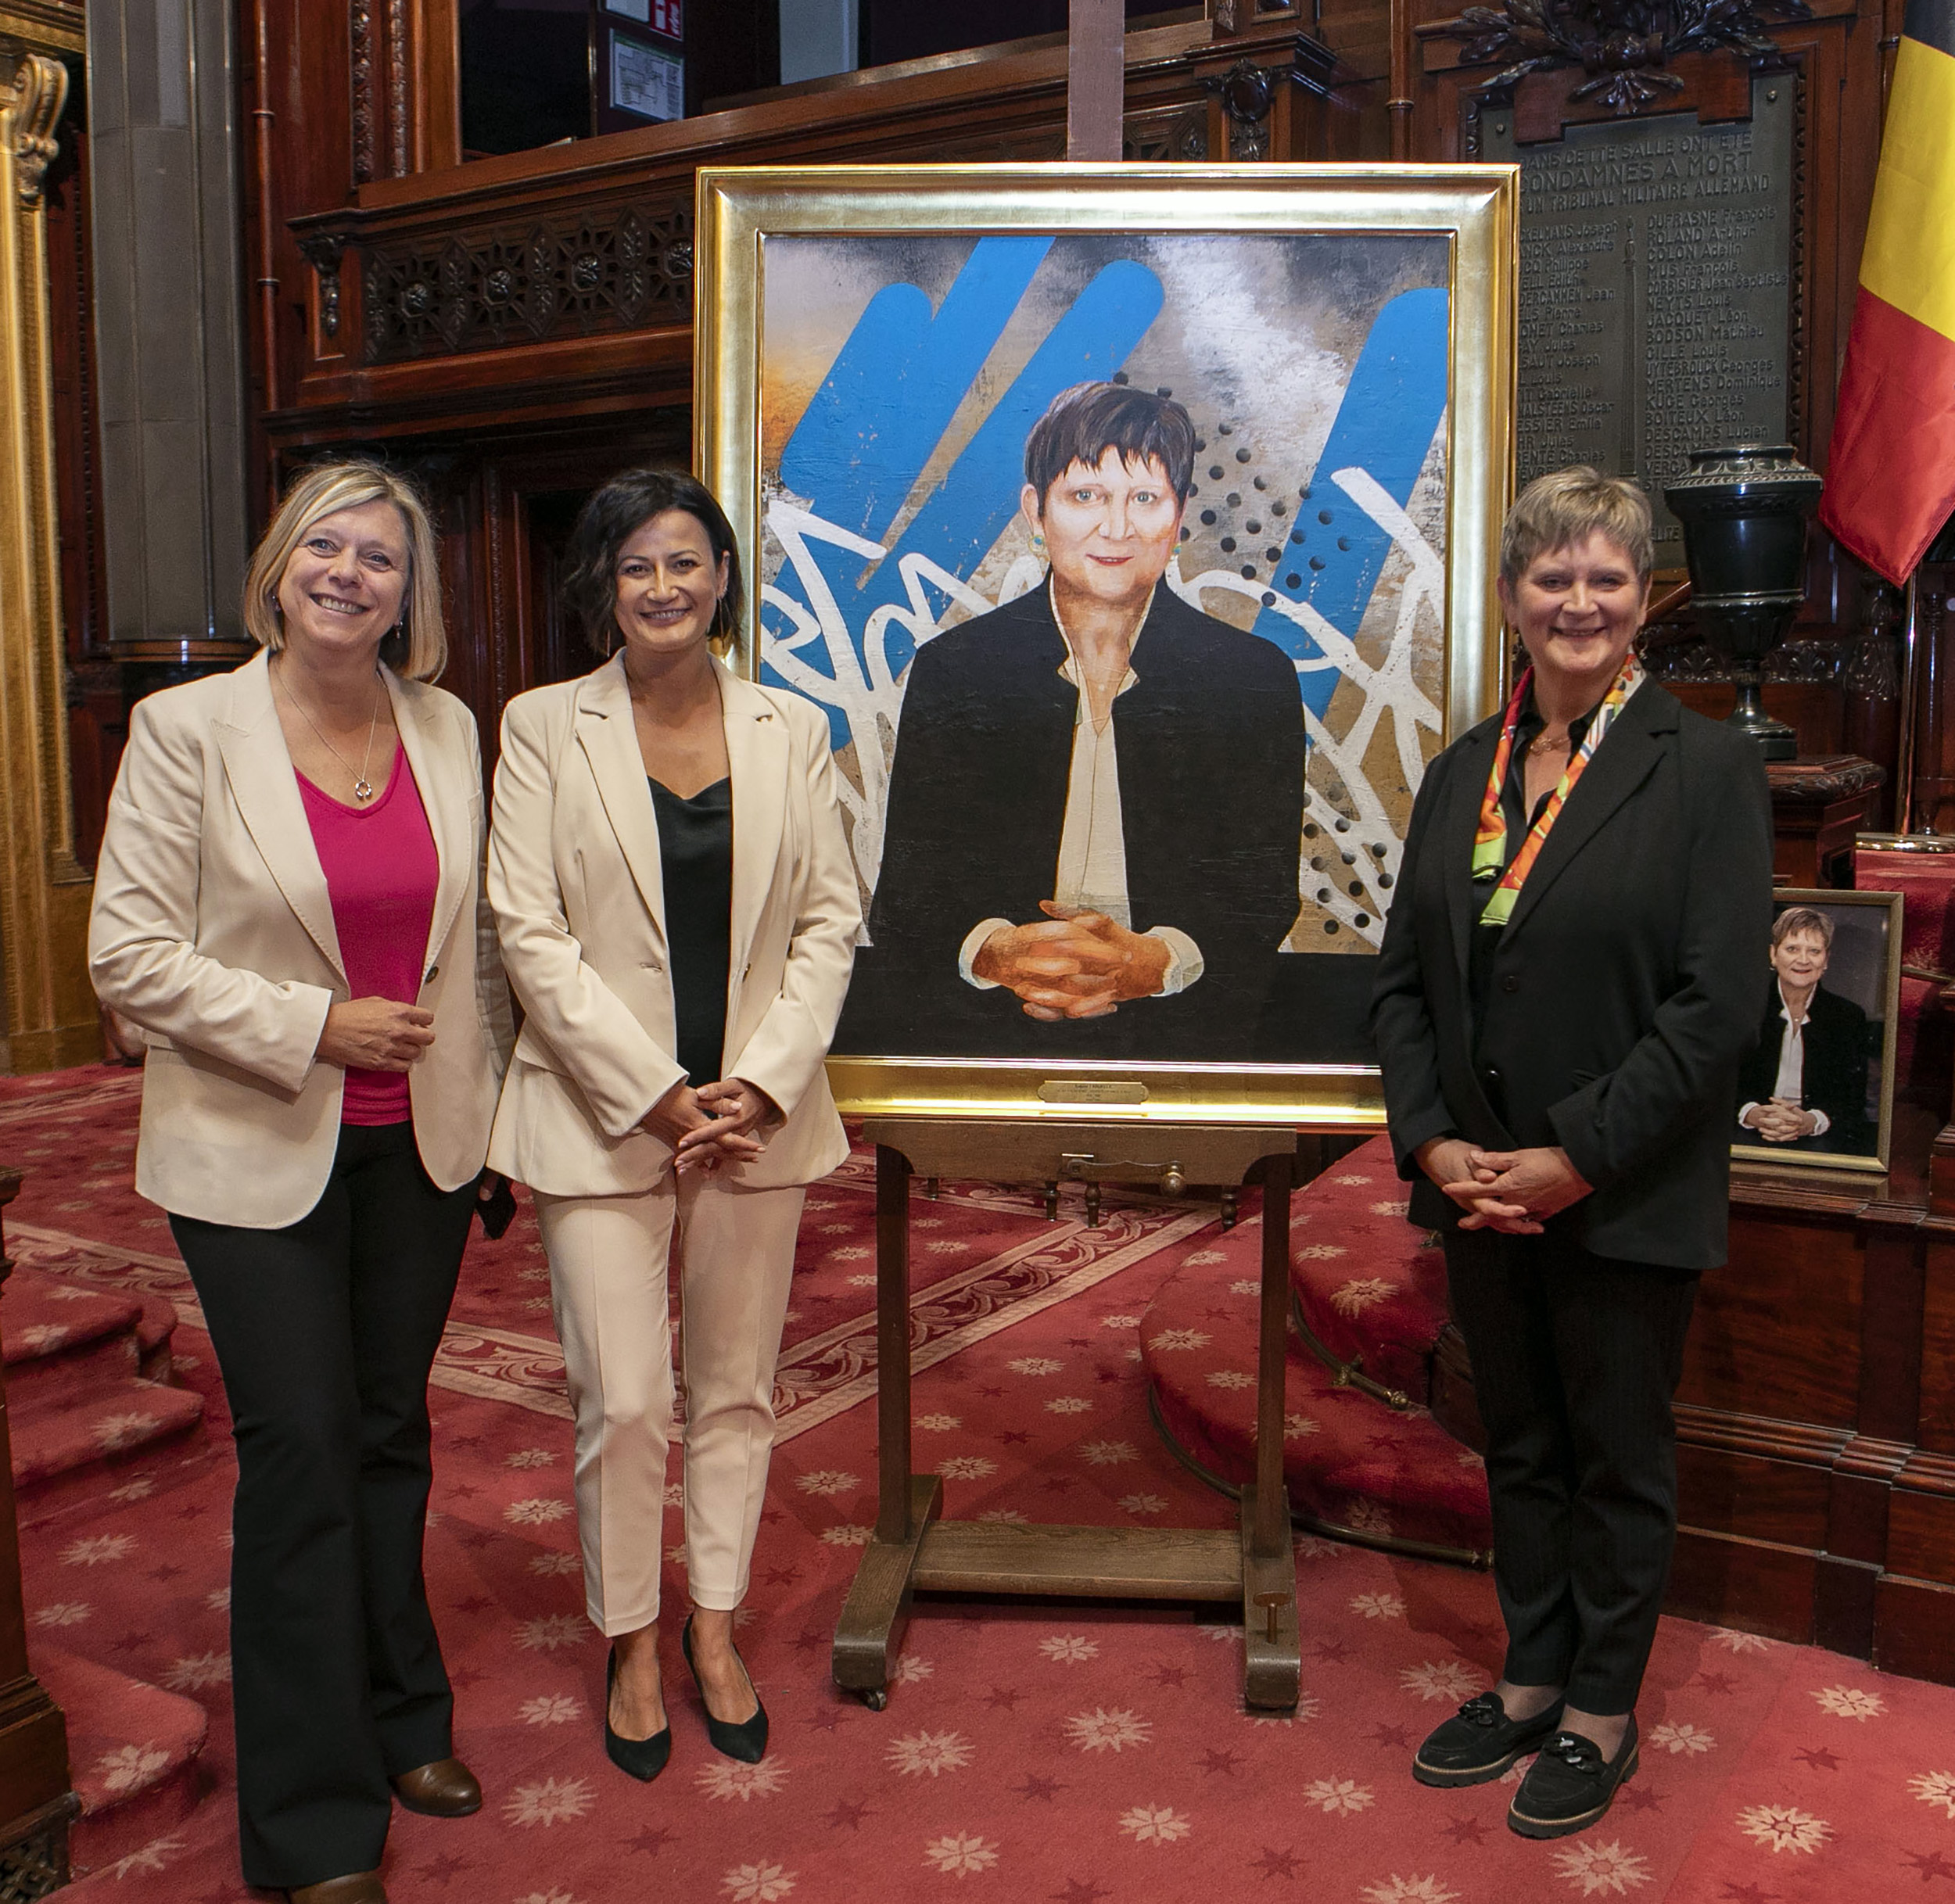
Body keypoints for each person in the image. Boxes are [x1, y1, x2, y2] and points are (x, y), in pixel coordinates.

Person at [88, 461, 512, 1904]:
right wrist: (314, 1026)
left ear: (412, 591)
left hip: (425, 1143)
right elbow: (127, 957)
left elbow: (484, 947)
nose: (349, 573)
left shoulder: (448, 726)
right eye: (323, 547)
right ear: (278, 569)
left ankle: (405, 1719)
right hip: (254, 1143)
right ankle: (314, 1819)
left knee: (391, 1436)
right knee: (304, 1455)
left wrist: (503, 1115)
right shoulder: (183, 729)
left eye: (380, 557)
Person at [1370, 466, 1771, 1838]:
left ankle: (1605, 1707)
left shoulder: (1706, 767)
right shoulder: (1454, 778)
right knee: (1521, 1448)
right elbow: (1405, 990)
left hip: (1620, 1190)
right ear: (1510, 603)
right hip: (1479, 1193)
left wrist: (1573, 1157)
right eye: (1553, 579)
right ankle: (1532, 1675)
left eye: (1606, 578)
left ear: (1644, 602)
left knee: (1615, 1457)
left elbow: (1718, 1009)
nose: (1579, 602)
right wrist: (1435, 1149)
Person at [486, 468, 859, 1782]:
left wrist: (755, 1081)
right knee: (629, 1397)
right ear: (603, 584)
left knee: (738, 1392)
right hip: (602, 1119)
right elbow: (527, 932)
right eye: (638, 566)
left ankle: (713, 1628)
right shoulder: (542, 728)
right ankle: (630, 1638)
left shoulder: (788, 728)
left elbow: (829, 921)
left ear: (720, 580)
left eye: (687, 563)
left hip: (756, 1119)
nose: (664, 588)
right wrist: (653, 1090)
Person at [841, 380, 1307, 1060]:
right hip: (988, 1022)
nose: (1115, 529)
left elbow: (1262, 894)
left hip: (1187, 1021)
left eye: (1144, 500)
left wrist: (1157, 962)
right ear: (1037, 511)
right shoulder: (958, 668)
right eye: (1085, 496)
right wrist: (998, 952)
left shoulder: (1251, 676)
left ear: (1178, 519)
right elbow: (910, 896)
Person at [1735, 905, 1872, 1153]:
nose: (1803, 960)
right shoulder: (1741, 1007)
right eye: (1792, 949)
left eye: (1814, 951)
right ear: (1773, 955)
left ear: (1826, 960)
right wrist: (1753, 1113)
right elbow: (1715, 1084)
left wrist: (1811, 1122)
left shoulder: (1847, 1017)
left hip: (1820, 1137)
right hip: (1744, 1130)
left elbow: (1852, 1100)